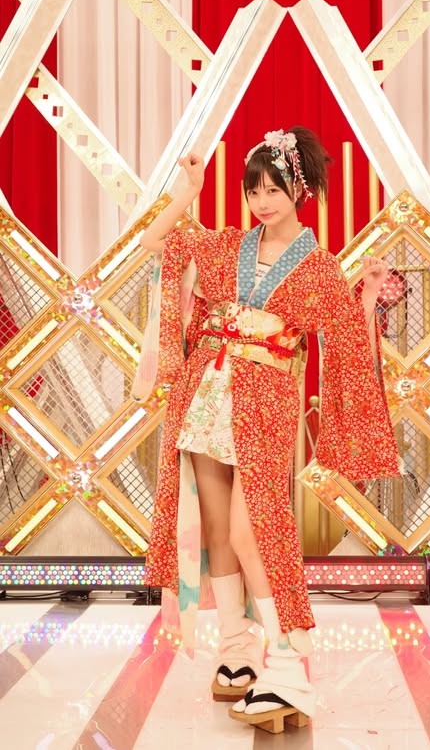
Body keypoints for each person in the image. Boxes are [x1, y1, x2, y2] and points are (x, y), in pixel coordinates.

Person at [137, 126, 400, 732]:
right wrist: (189, 191)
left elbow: (346, 339)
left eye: (273, 189)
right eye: (253, 190)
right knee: (216, 531)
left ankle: (287, 666)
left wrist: (365, 301)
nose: (262, 201)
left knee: (253, 529)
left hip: (264, 402)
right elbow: (157, 241)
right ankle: (236, 648)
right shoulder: (229, 245)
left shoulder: (317, 267)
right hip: (207, 395)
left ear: (298, 191)